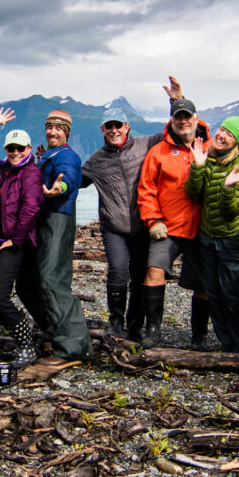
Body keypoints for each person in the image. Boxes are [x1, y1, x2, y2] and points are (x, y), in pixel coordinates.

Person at [81, 108, 162, 342]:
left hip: (142, 227)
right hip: (114, 228)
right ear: (103, 130)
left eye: (118, 125)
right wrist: (48, 162)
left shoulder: (146, 144)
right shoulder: (96, 160)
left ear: (127, 127)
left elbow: (173, 134)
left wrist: (176, 100)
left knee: (139, 277)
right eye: (109, 126)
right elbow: (73, 180)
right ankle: (116, 322)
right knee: (118, 271)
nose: (114, 130)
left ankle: (135, 326)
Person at [0, 109, 45, 368]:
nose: (14, 153)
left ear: (28, 149)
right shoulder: (3, 170)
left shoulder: (31, 174)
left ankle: (27, 346)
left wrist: (16, 238)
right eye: (10, 149)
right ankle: (24, 339)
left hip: (11, 244)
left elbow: (32, 206)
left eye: (19, 148)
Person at [137, 96, 211, 349]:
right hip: (168, 227)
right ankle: (153, 329)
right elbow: (146, 190)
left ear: (196, 118)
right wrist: (153, 220)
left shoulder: (211, 148)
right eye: (178, 117)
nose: (183, 121)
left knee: (203, 282)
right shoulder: (158, 152)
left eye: (187, 116)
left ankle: (199, 336)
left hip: (203, 228)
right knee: (154, 271)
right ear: (171, 120)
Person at [184, 116, 239, 353]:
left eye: (230, 134)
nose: (223, 135)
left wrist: (227, 188)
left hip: (235, 239)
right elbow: (194, 194)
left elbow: (231, 211)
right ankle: (227, 344)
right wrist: (198, 166)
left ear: (237, 142)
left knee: (232, 294)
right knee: (213, 293)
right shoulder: (209, 158)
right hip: (208, 237)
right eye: (222, 129)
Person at [33, 109, 89, 365]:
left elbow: (69, 175)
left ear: (66, 131)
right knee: (34, 279)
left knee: (52, 279)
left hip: (59, 218)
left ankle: (73, 346)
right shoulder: (50, 154)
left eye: (59, 128)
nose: (53, 131)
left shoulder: (68, 155)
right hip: (44, 221)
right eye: (50, 126)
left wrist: (61, 186)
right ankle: (55, 329)